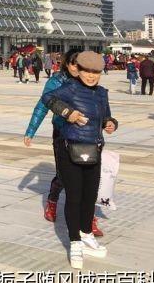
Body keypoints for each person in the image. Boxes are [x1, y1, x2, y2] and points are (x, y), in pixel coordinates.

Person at [42, 51, 117, 269]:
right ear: (79, 70)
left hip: (94, 150)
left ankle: (86, 234)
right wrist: (67, 112)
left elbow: (106, 115)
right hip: (70, 150)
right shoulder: (70, 88)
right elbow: (47, 98)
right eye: (87, 71)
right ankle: (74, 241)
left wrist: (111, 123)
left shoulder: (101, 93)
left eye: (96, 72)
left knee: (89, 196)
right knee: (74, 197)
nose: (91, 76)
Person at [23, 49, 103, 235]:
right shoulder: (56, 82)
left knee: (88, 179)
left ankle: (89, 219)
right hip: (62, 134)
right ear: (67, 64)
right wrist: (30, 131)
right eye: (74, 63)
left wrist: (106, 123)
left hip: (87, 135)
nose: (77, 68)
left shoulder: (88, 81)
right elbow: (42, 106)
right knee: (63, 176)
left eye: (80, 64)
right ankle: (52, 200)